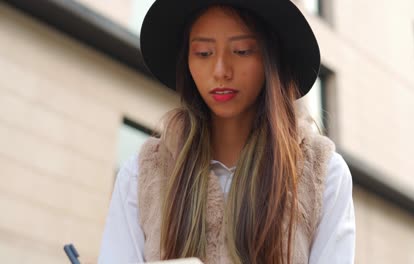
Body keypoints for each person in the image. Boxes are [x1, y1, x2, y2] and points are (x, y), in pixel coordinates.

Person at [98, 0, 355, 263]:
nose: (220, 70)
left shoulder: (323, 174)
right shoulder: (142, 173)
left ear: (270, 59)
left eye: (242, 51)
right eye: (203, 53)